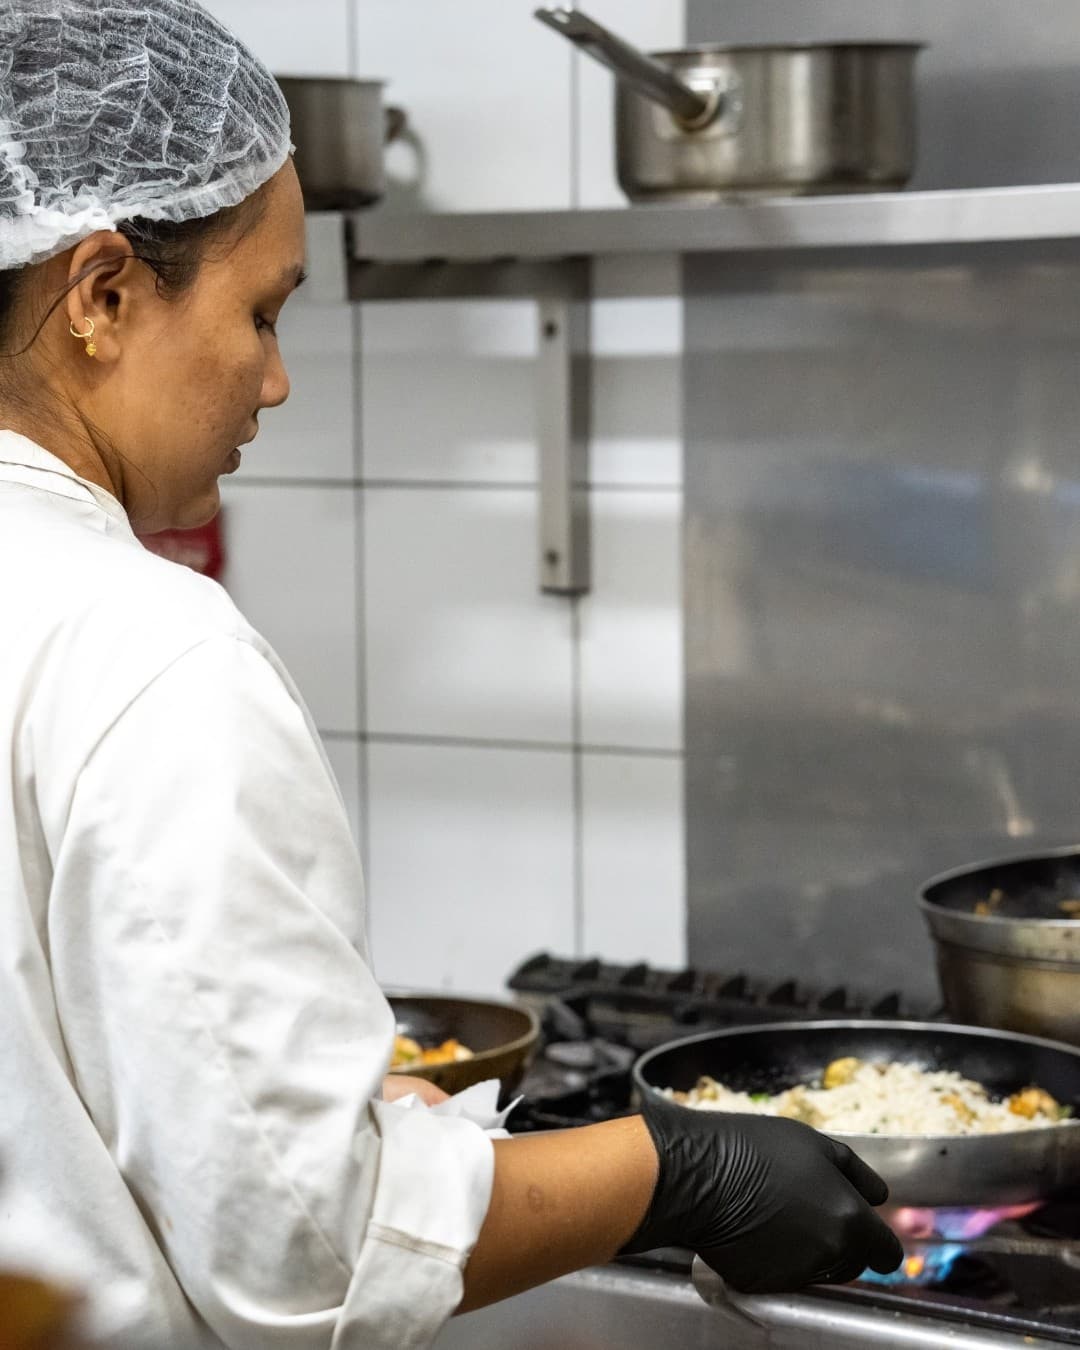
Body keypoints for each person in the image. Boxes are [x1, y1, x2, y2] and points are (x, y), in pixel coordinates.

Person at [0, 2, 903, 1347]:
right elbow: (309, 1251)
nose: (278, 377)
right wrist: (673, 1169)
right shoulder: (151, 653)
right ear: (106, 292)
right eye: (262, 309)